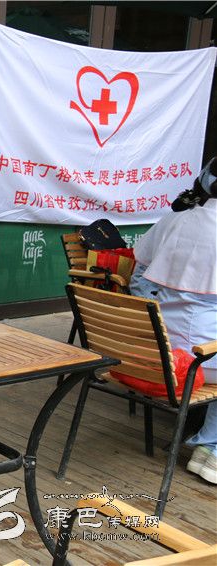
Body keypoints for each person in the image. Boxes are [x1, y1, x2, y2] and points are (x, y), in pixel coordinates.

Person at [130, 157, 217, 484]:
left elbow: (139, 272)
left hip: (159, 350)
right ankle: (211, 449)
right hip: (200, 361)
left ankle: (208, 445)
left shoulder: (174, 218)